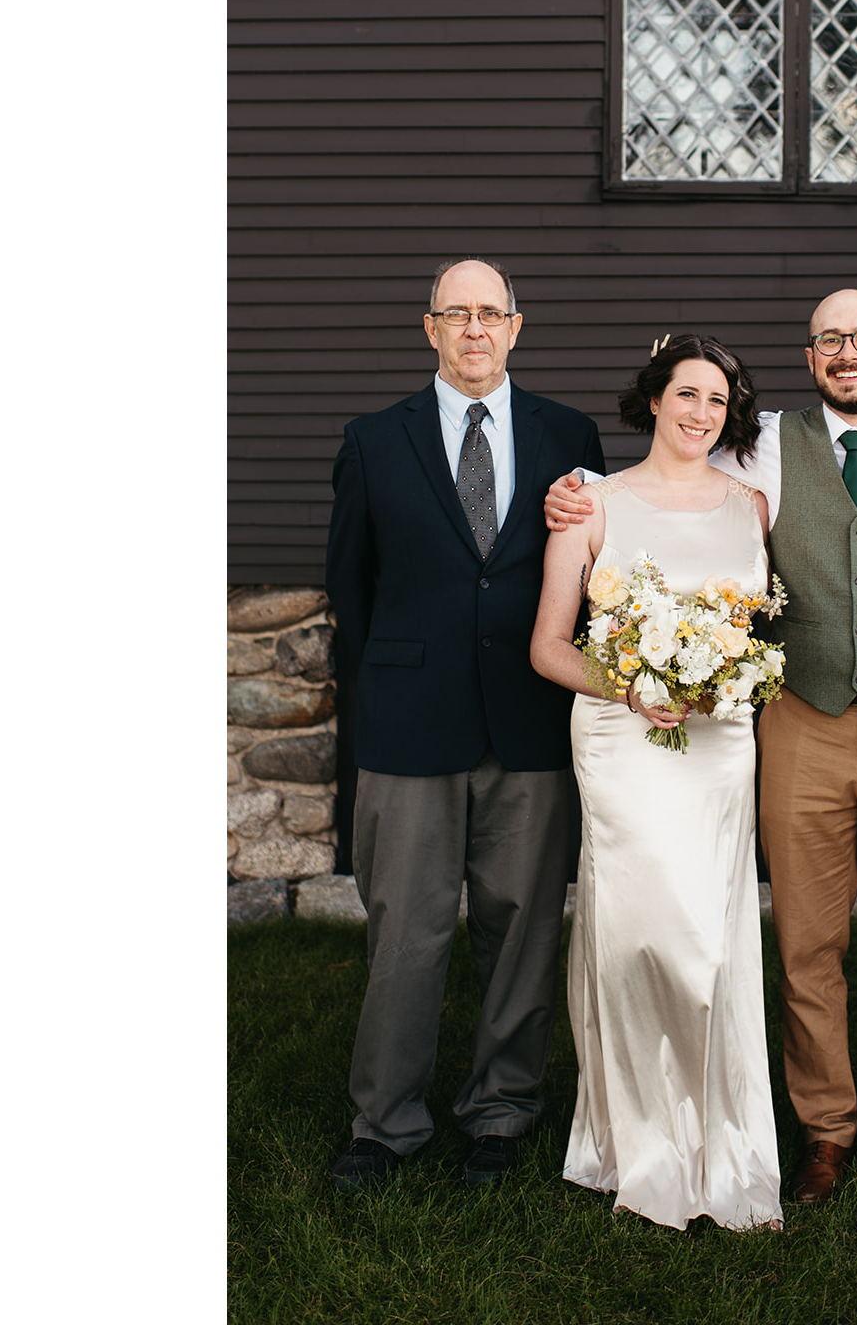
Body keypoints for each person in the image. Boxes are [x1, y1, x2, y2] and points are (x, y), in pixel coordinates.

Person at [545, 290, 857, 1202]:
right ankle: (825, 1130)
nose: (848, 353)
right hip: (800, 718)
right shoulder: (760, 446)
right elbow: (672, 470)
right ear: (810, 354)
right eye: (831, 339)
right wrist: (576, 490)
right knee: (808, 940)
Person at [323, 257, 605, 1189]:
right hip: (410, 724)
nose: (476, 329)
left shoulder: (571, 436)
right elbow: (351, 590)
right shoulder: (374, 439)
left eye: (492, 313)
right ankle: (385, 1123)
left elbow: (595, 576)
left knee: (522, 924)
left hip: (529, 720)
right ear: (430, 327)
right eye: (458, 314)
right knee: (406, 929)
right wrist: (373, 709)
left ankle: (501, 1110)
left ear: (517, 328)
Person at [529, 334, 782, 1231]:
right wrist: (629, 683)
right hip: (621, 741)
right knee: (638, 936)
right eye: (687, 393)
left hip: (719, 745)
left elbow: (758, 629)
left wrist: (727, 676)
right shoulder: (591, 503)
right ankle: (632, 1139)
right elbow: (549, 646)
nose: (701, 413)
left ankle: (724, 1139)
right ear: (654, 399)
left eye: (718, 400)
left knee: (712, 943)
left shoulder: (752, 505)